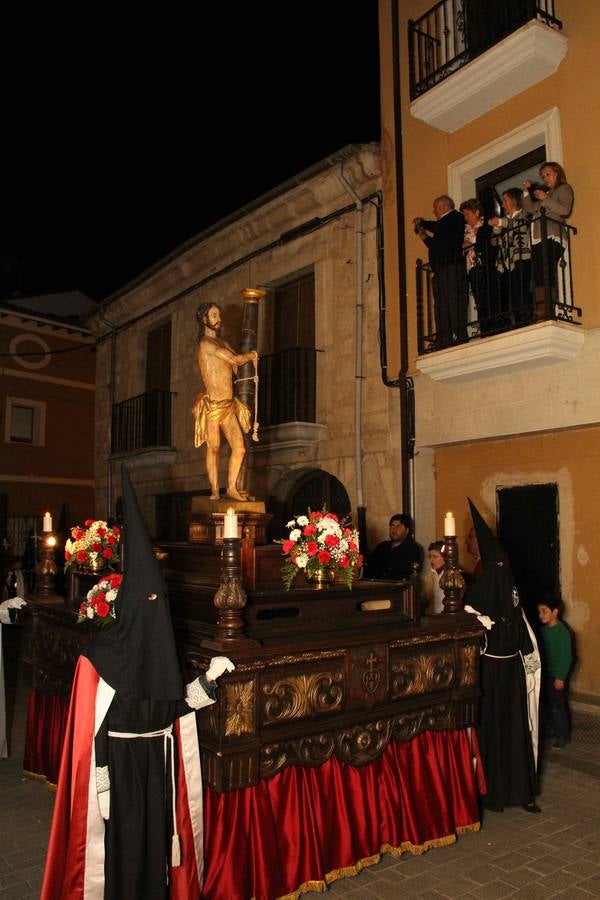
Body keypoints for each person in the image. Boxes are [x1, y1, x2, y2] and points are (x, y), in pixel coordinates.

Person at [41, 466, 235, 899]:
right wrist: (103, 783)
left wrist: (208, 680)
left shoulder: (161, 649)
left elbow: (174, 705)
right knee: (123, 850)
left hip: (158, 766)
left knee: (154, 846)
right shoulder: (101, 657)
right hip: (122, 769)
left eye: (159, 602)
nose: (155, 609)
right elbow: (91, 731)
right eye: (148, 601)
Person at [465, 499, 541, 814]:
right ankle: (506, 792)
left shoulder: (494, 574)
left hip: (503, 670)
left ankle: (509, 791)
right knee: (503, 728)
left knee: (507, 728)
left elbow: (509, 615)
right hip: (500, 668)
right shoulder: (492, 575)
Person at [193, 302, 258, 501]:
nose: (218, 319)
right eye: (213, 315)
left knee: (240, 448)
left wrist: (246, 375)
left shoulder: (223, 344)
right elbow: (236, 360)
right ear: (204, 320)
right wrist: (252, 355)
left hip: (228, 405)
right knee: (213, 449)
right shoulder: (206, 344)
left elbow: (236, 366)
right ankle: (214, 490)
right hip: (213, 406)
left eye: (218, 315)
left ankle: (231, 488)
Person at [413, 195, 467, 347]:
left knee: (453, 302)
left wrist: (423, 222)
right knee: (440, 306)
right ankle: (444, 337)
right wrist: (423, 235)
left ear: (444, 207)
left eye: (435, 208)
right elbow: (436, 246)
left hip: (451, 267)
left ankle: (460, 336)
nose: (433, 211)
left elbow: (439, 227)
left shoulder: (455, 218)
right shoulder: (443, 226)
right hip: (441, 269)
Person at [521, 161, 574, 313]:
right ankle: (541, 308)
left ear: (557, 173)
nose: (545, 178)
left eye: (548, 174)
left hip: (552, 235)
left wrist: (545, 198)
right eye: (543, 176)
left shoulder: (563, 189)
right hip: (539, 237)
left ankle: (546, 309)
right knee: (538, 274)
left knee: (546, 272)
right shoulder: (547, 195)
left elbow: (564, 209)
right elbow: (530, 209)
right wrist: (525, 192)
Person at [489, 187, 532, 325]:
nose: (503, 204)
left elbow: (520, 225)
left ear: (514, 201)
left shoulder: (525, 214)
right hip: (506, 261)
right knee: (510, 293)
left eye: (505, 200)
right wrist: (496, 229)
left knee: (521, 290)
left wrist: (500, 223)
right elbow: (494, 241)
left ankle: (524, 319)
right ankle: (514, 321)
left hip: (521, 258)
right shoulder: (505, 219)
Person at [537, 595, 572, 749]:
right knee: (547, 705)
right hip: (545, 675)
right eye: (539, 612)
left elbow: (566, 657)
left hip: (556, 677)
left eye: (544, 611)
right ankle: (553, 729)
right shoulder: (542, 631)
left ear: (555, 612)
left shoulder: (563, 632)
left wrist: (560, 677)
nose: (541, 615)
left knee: (557, 707)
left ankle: (562, 735)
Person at [460, 198, 497, 336]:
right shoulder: (467, 231)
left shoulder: (485, 227)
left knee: (486, 300)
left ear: (476, 213)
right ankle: (483, 328)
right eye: (464, 215)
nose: (465, 218)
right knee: (479, 301)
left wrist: (469, 245)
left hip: (484, 268)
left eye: (467, 214)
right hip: (473, 268)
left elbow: (484, 246)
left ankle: (489, 329)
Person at [367, 514, 422, 581]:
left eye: (398, 526)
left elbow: (407, 574)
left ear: (407, 530)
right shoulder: (382, 546)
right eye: (392, 526)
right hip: (377, 586)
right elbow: (370, 567)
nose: (394, 530)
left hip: (398, 588)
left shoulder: (412, 548)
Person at [420, 540, 446, 614]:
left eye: (435, 556)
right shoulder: (429, 576)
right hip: (432, 616)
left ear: (445, 558)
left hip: (448, 617)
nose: (431, 560)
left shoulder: (452, 575)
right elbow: (424, 601)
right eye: (430, 556)